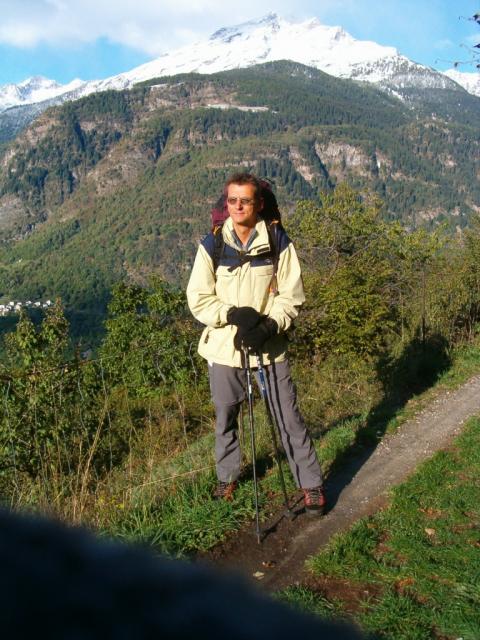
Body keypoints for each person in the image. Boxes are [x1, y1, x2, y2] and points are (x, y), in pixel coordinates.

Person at [186, 173, 325, 513]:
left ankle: (311, 485)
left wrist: (270, 325)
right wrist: (232, 314)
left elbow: (292, 295)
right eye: (232, 200)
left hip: (269, 346)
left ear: (258, 204)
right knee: (226, 417)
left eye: (245, 201)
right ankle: (227, 477)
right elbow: (198, 297)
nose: (237, 207)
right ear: (226, 203)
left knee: (288, 417)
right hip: (225, 347)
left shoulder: (277, 241)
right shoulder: (213, 244)